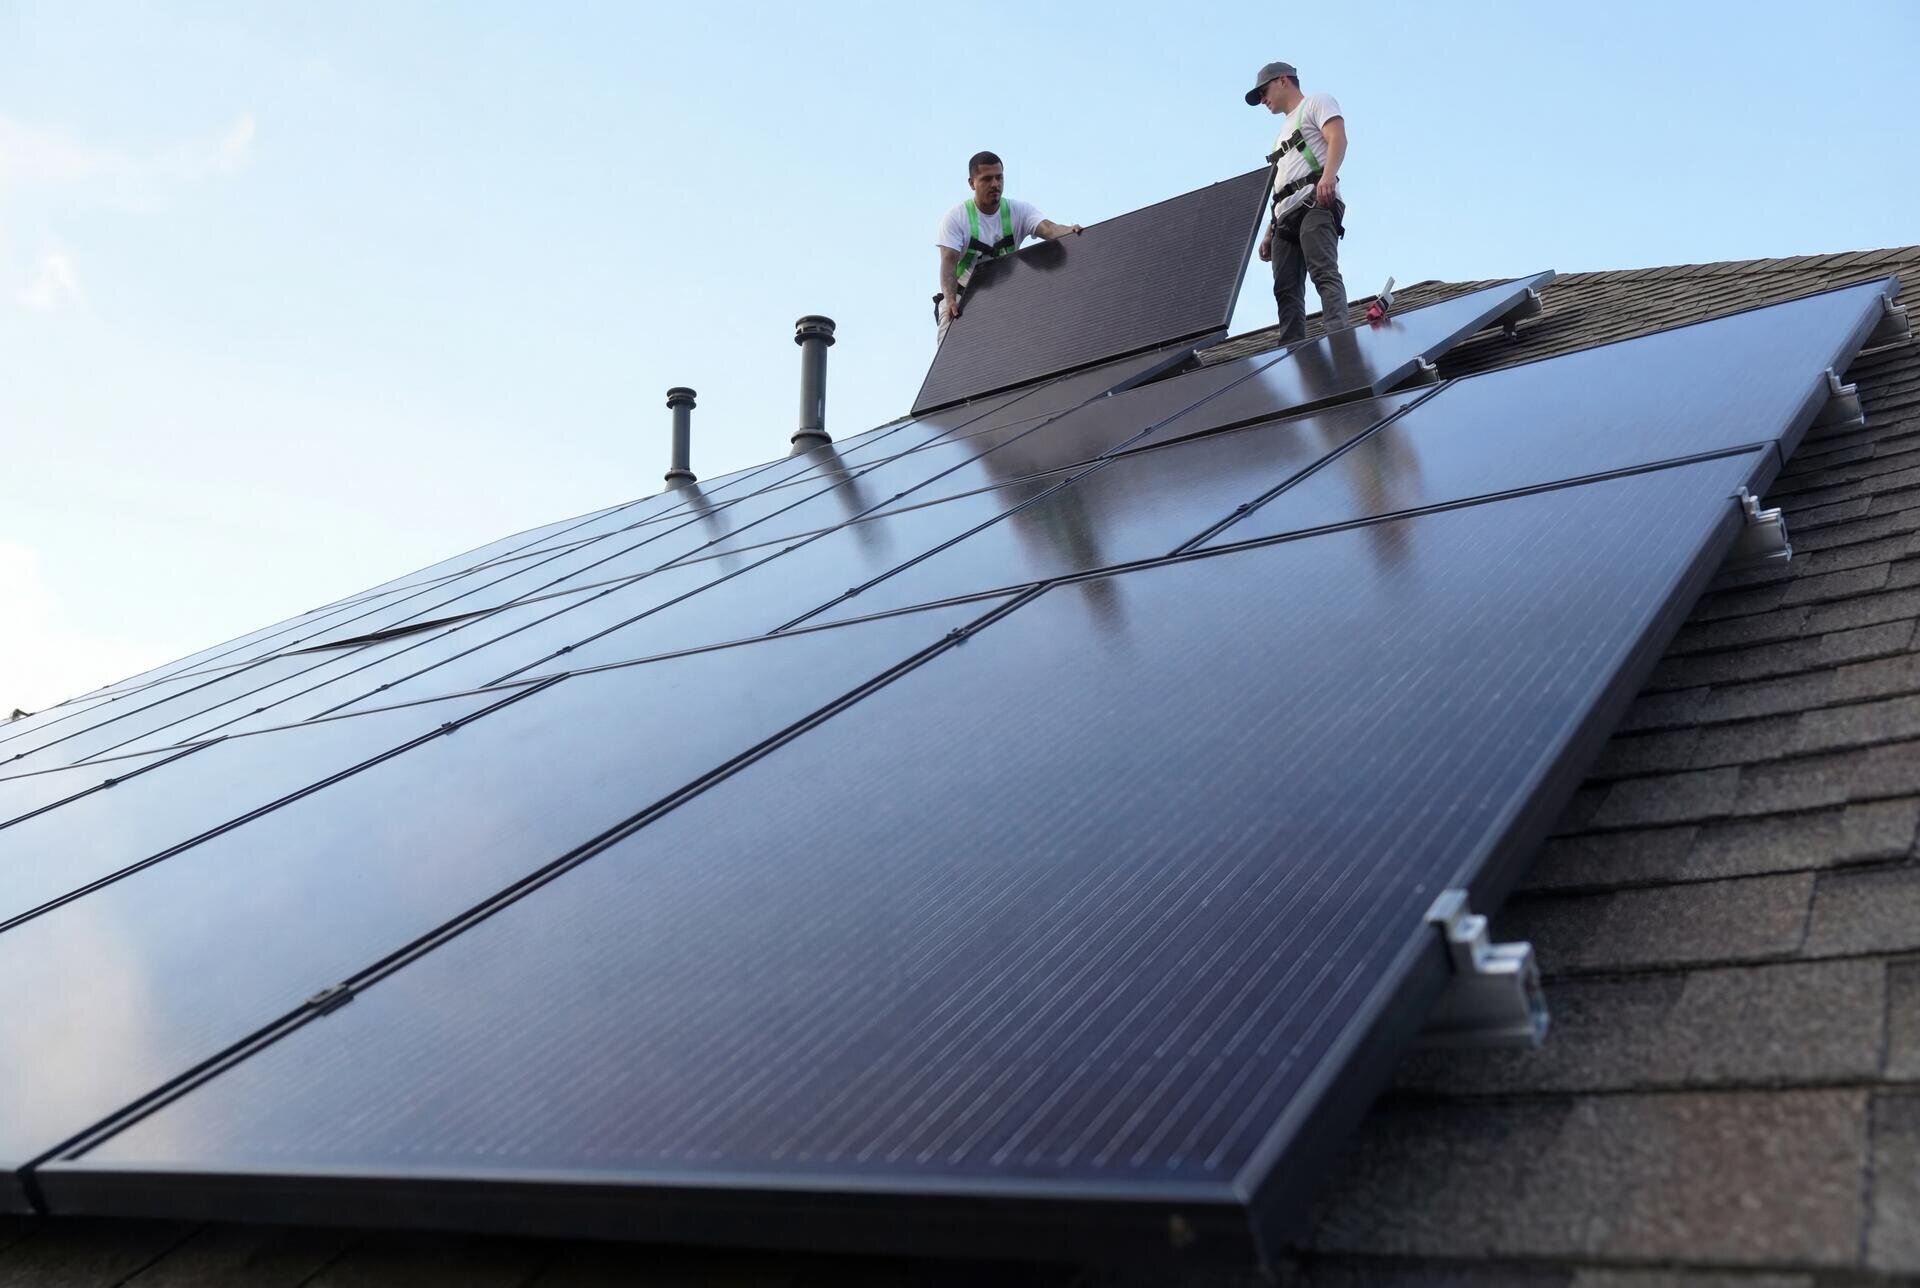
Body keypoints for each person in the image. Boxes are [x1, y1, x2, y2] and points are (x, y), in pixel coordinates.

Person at [1246, 61, 1348, 342]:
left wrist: (1329, 176)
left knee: (1322, 271)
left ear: (1282, 80)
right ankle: (1291, 354)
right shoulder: (1278, 138)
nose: (1263, 100)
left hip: (1315, 202)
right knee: (1285, 290)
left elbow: (1337, 137)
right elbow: (1281, 186)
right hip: (1283, 219)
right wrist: (1269, 231)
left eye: (1263, 91)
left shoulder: (1317, 103)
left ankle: (1340, 340)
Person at [934, 151, 1081, 341]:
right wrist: (951, 299)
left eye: (999, 177)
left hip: (1003, 298)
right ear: (972, 183)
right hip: (964, 299)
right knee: (953, 347)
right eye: (987, 179)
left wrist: (1069, 231)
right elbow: (948, 263)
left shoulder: (1018, 211)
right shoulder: (956, 218)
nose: (995, 184)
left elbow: (1049, 229)